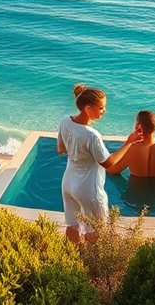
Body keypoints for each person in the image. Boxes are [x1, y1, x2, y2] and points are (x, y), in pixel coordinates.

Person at [57, 83, 143, 243]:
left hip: (68, 183)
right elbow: (109, 163)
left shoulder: (64, 122)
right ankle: (92, 264)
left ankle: (73, 258)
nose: (104, 111)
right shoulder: (92, 135)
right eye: (101, 108)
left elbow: (61, 149)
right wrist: (129, 142)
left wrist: (77, 151)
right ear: (88, 109)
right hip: (88, 189)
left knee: (72, 225)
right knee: (96, 230)